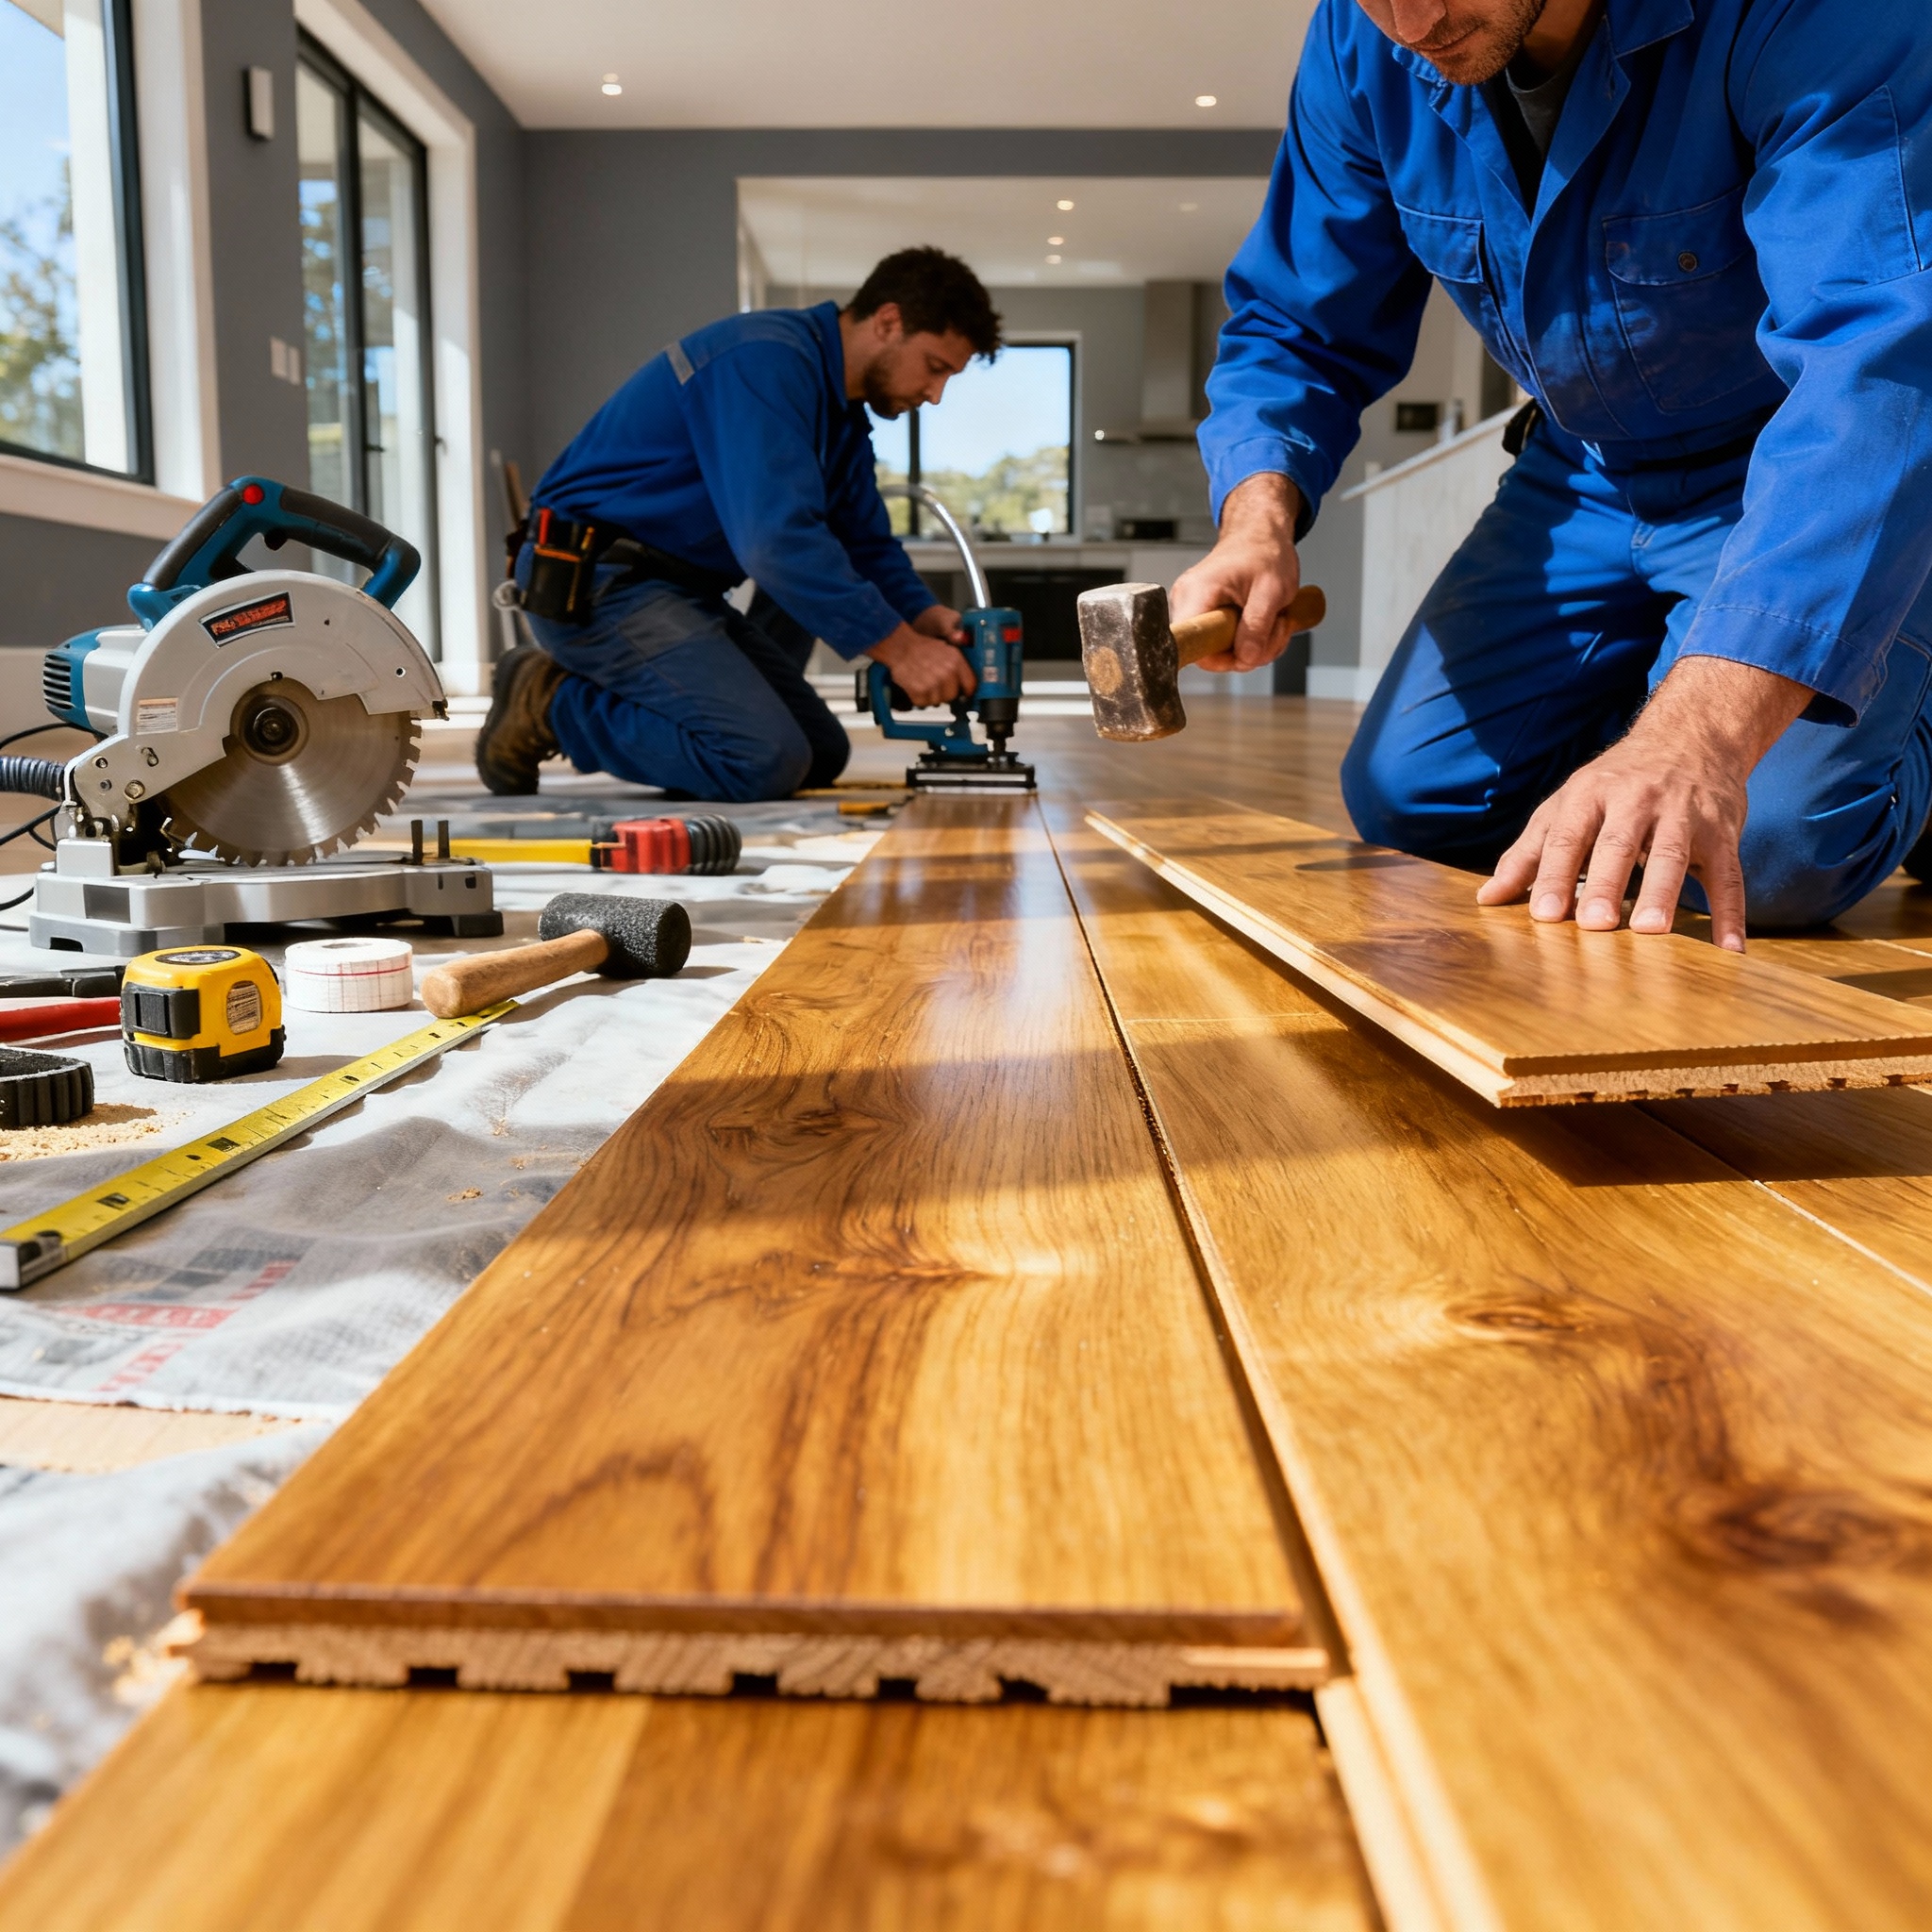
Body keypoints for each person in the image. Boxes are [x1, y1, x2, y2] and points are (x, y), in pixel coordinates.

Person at [1174, 0, 1932, 949]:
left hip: (1798, 459)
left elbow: (1876, 361)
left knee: (1772, 852)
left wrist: (1696, 737)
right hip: (1586, 469)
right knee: (1413, 804)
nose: (1408, 22)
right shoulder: (1358, 39)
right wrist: (1256, 522)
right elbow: (1296, 323)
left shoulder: (1811, 15)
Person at [476, 248, 1001, 799]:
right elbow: (775, 543)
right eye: (935, 367)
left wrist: (921, 616)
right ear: (888, 322)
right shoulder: (764, 360)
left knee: (820, 752)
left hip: (675, 591)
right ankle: (548, 700)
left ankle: (658, 710)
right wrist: (902, 651)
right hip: (599, 581)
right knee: (761, 758)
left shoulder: (839, 415)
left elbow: (862, 542)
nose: (935, 395)